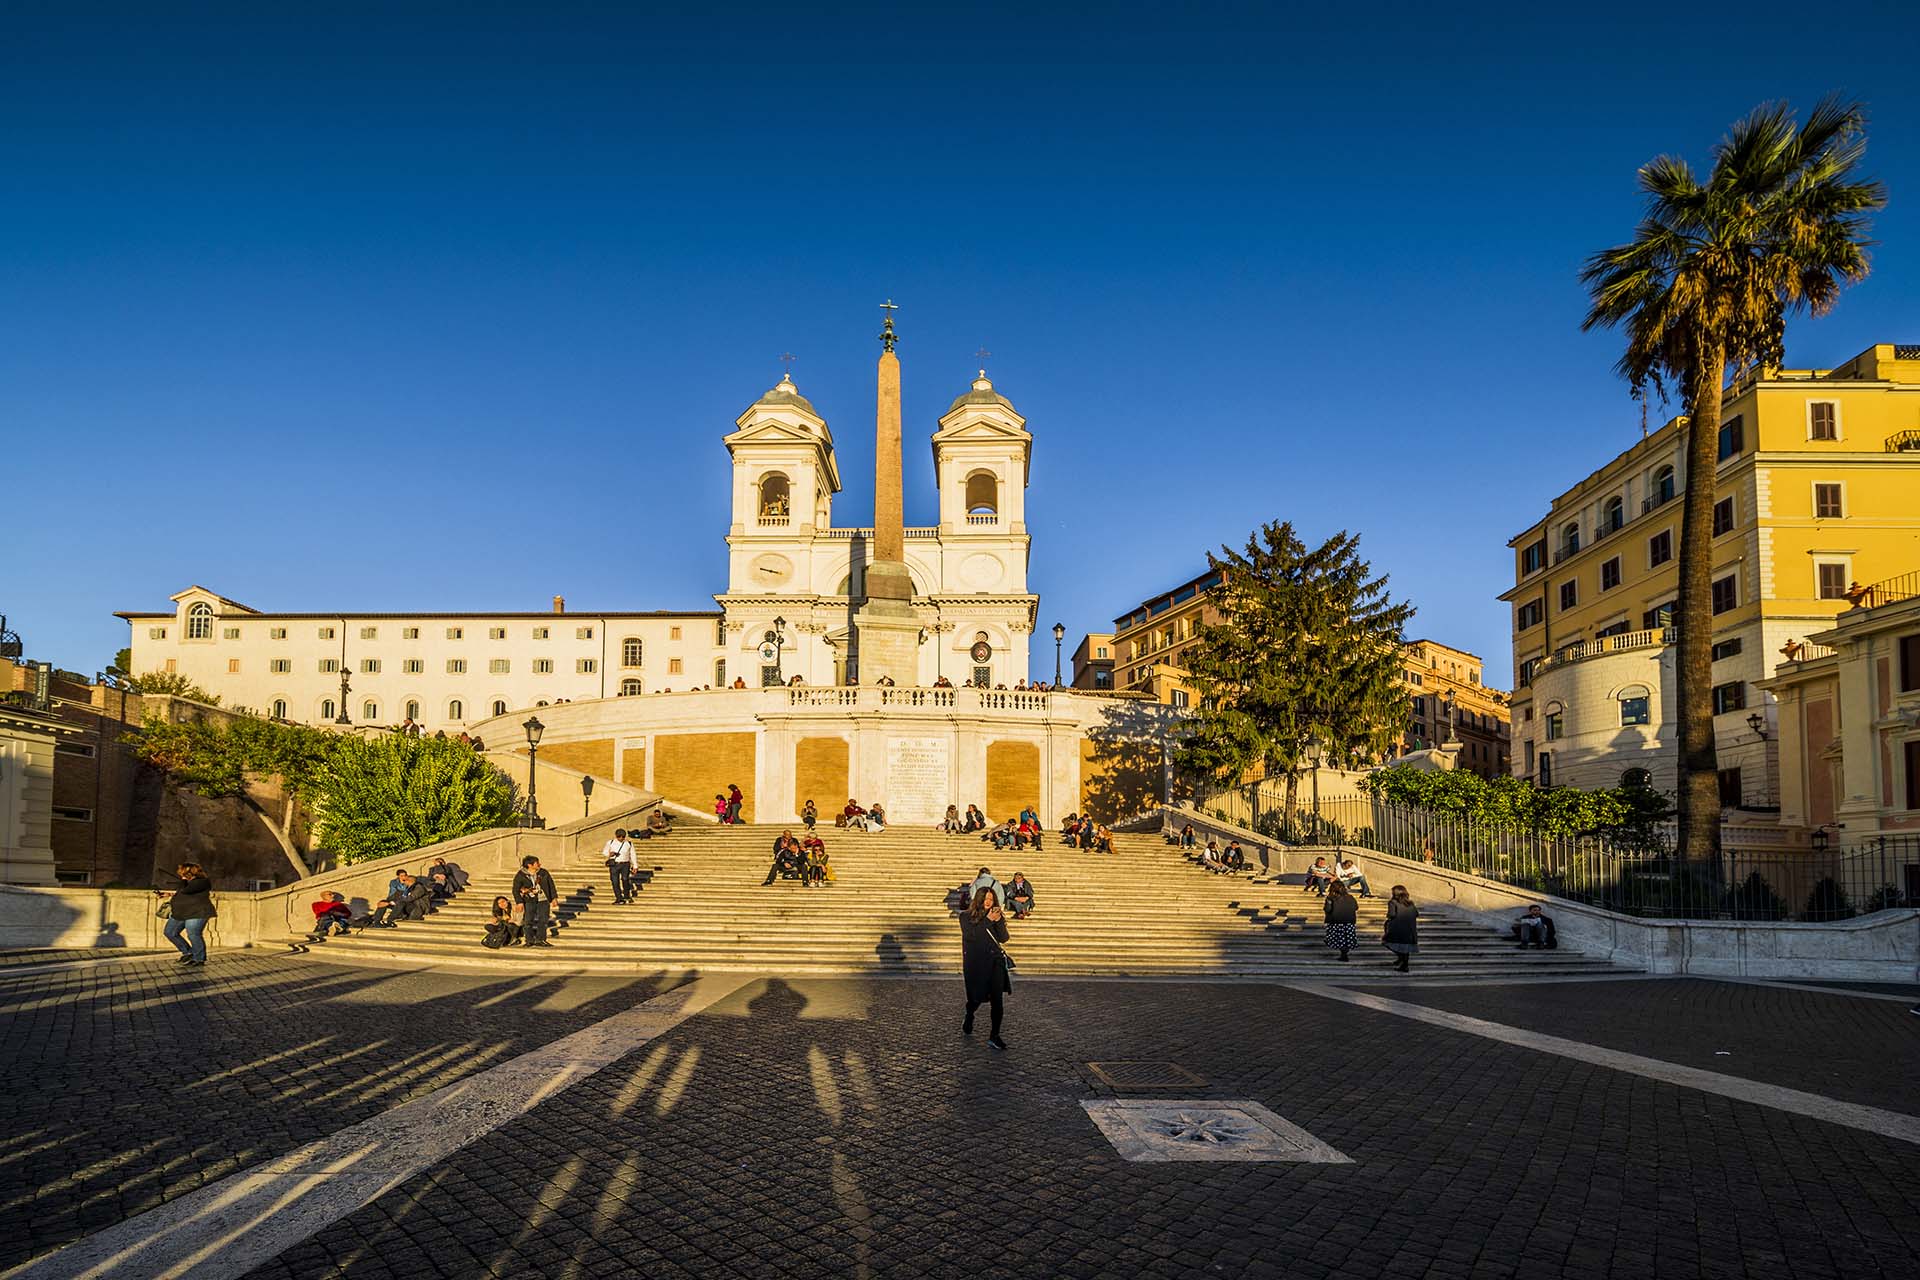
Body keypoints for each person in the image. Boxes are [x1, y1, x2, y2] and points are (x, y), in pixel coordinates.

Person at [958, 886, 1011, 1050]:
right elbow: (971, 936)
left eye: (991, 899)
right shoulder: (965, 916)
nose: (989, 902)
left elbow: (1004, 938)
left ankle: (994, 1035)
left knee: (997, 1000)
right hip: (977, 964)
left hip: (995, 962)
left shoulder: (995, 915)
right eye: (986, 899)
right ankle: (970, 1013)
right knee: (976, 997)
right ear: (979, 899)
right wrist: (988, 921)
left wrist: (999, 920)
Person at [156, 862, 216, 966]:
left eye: (183, 873)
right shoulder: (188, 882)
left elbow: (185, 891)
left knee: (193, 935)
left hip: (197, 913)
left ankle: (199, 959)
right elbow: (182, 891)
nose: (181, 875)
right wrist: (169, 894)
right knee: (170, 932)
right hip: (180, 913)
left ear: (190, 872)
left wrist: (183, 881)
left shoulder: (202, 882)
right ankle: (188, 952)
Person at [514, 855, 557, 947]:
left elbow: (551, 885)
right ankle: (529, 940)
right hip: (529, 900)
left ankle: (541, 939)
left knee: (543, 920)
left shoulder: (543, 873)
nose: (539, 864)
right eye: (537, 863)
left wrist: (554, 897)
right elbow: (515, 889)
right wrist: (519, 902)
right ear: (530, 865)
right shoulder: (521, 875)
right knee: (528, 921)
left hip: (544, 899)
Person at [1383, 885, 1419, 973]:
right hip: (1410, 928)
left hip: (1397, 928)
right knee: (1406, 946)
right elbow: (1416, 914)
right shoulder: (1411, 903)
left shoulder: (1392, 902)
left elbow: (1391, 914)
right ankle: (1404, 964)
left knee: (1387, 942)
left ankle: (1401, 959)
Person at [1323, 880, 1359, 961]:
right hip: (1349, 921)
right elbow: (1356, 907)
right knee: (1346, 939)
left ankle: (1343, 955)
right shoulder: (1351, 897)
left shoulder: (1330, 898)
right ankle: (1344, 954)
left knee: (1339, 939)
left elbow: (1328, 909)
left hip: (1336, 922)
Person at [604, 828, 638, 904]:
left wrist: (635, 866)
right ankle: (619, 898)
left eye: (623, 837)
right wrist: (610, 854)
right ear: (616, 836)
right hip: (614, 864)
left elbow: (632, 854)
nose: (621, 838)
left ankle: (626, 896)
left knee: (625, 879)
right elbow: (605, 852)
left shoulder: (628, 843)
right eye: (619, 836)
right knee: (615, 882)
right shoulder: (610, 842)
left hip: (625, 864)